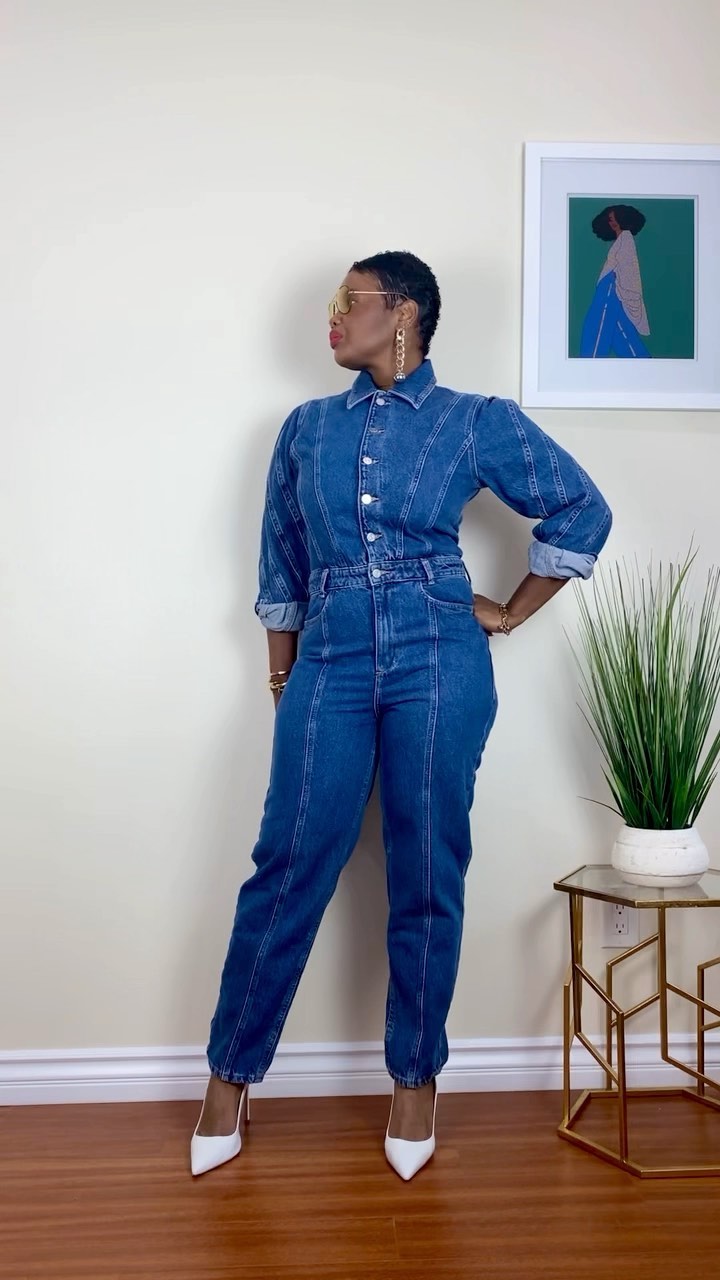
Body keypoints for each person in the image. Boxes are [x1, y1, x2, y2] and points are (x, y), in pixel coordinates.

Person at [191, 250, 612, 1181]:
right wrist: (283, 681)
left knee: (427, 868)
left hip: (439, 655)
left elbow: (581, 508)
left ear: (405, 313)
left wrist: (510, 610)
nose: (334, 317)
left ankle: (415, 1081)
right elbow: (281, 563)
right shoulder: (306, 428)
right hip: (330, 656)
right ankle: (230, 1077)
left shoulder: (474, 420)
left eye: (350, 301)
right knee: (289, 861)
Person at [579, 204, 651, 358]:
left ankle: (589, 364)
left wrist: (628, 295)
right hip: (609, 288)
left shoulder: (625, 238)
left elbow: (628, 269)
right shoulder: (622, 239)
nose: (612, 222)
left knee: (596, 328)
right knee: (620, 332)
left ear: (623, 219)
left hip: (612, 289)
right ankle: (643, 363)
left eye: (615, 219)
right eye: (610, 219)